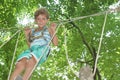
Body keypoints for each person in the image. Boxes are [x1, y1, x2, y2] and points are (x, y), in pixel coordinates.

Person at [10, 8, 58, 80]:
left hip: (42, 49)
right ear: (35, 20)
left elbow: (55, 43)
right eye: (38, 19)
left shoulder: (48, 29)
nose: (41, 21)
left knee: (31, 61)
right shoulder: (33, 31)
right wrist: (26, 34)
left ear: (47, 20)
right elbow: (30, 45)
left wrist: (53, 30)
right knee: (21, 63)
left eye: (43, 19)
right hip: (32, 50)